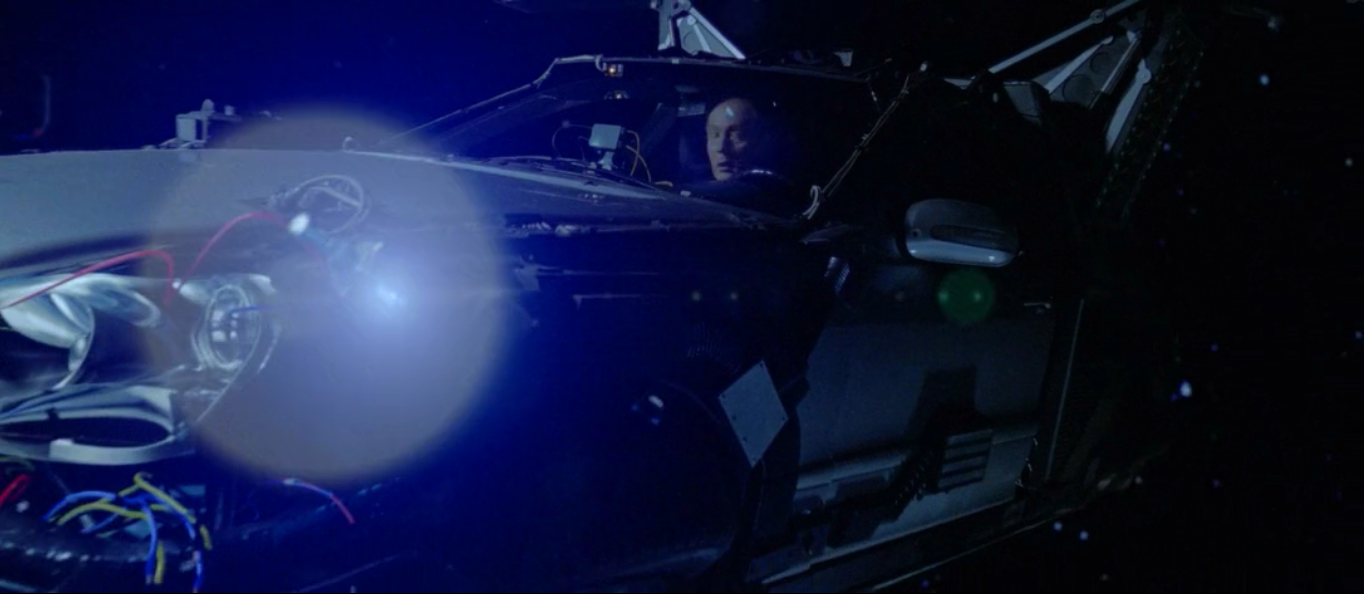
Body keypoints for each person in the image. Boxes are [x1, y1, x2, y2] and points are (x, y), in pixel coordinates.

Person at [680, 97, 806, 216]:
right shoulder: (691, 179)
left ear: (763, 142)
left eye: (737, 136)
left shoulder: (776, 196)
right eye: (715, 135)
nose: (721, 147)